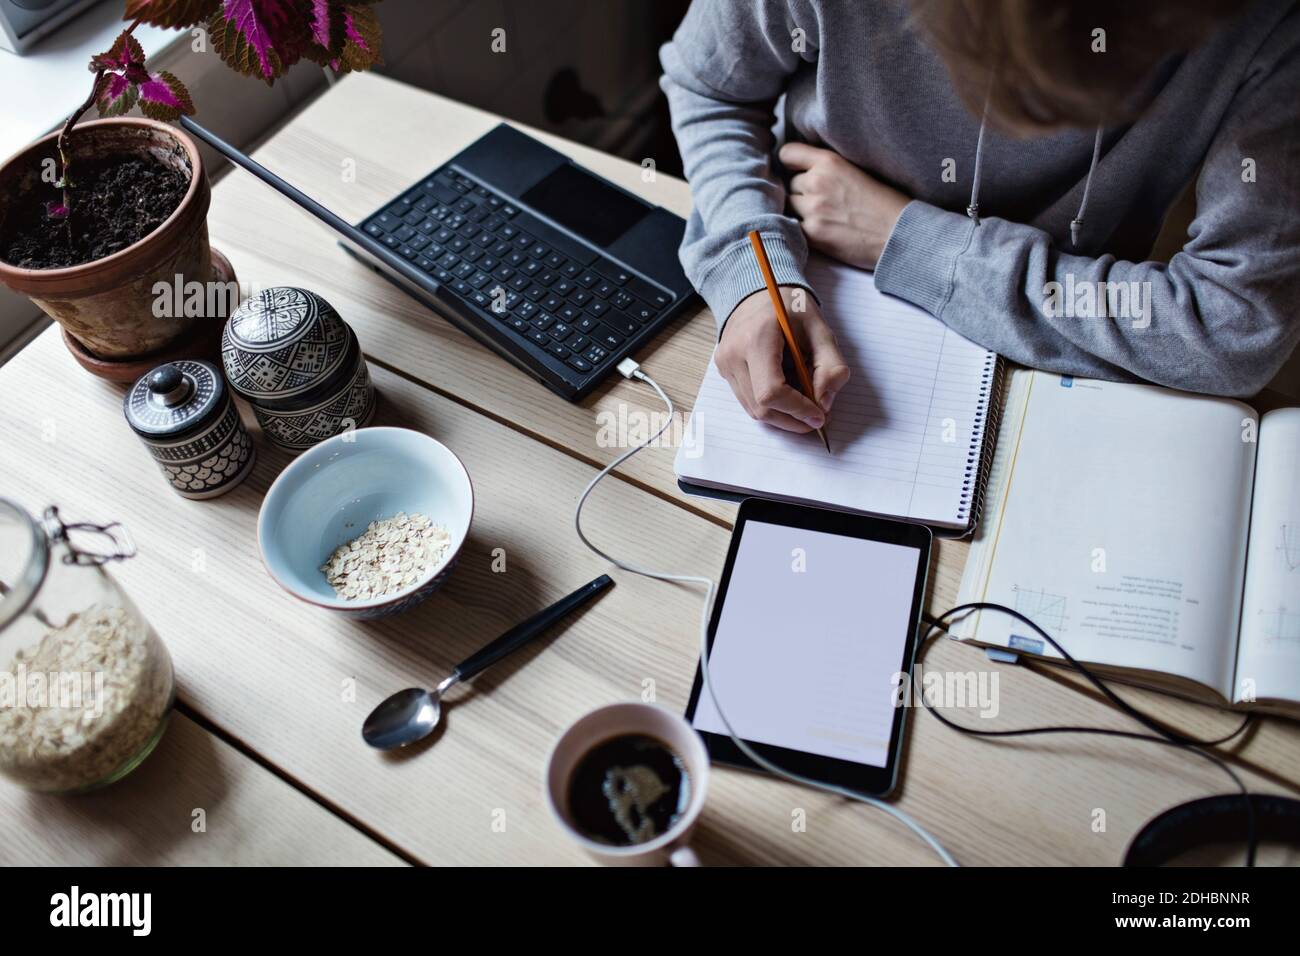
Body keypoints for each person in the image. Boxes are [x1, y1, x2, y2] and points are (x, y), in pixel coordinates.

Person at [659, 0, 1300, 434]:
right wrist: (751, 274)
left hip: (1063, 358)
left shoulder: (1268, 24)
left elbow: (1237, 325)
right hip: (809, 263)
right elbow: (708, 85)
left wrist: (907, 240)